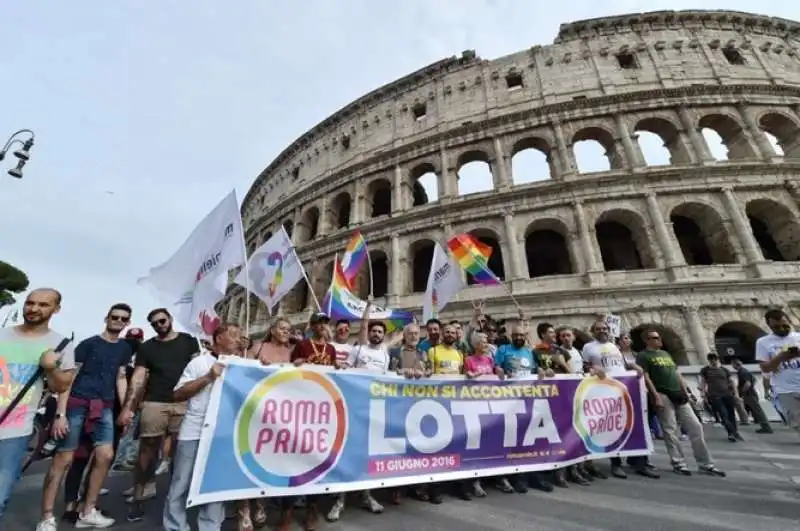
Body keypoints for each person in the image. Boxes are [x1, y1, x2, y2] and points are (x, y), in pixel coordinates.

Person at [42, 304, 134, 530]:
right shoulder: (88, 344)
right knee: (63, 460)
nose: (118, 322)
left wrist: (125, 408)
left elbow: (121, 377)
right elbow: (69, 379)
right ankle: (46, 517)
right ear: (107, 318)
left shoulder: (124, 348)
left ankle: (88, 510)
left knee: (105, 455)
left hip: (104, 406)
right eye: (115, 317)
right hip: (77, 403)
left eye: (123, 319)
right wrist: (61, 414)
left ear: (127, 323)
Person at [0, 288, 77, 524]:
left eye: (43, 304)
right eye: (30, 303)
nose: (34, 309)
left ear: (56, 309)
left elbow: (62, 386)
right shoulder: (2, 334)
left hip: (14, 429)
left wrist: (51, 367)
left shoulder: (60, 344)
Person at [119, 308, 198, 522]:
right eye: (154, 323)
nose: (159, 325)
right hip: (155, 401)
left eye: (162, 320)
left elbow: (198, 367)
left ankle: (176, 501)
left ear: (170, 319)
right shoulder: (147, 348)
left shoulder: (189, 341)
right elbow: (138, 377)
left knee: (181, 453)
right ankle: (139, 495)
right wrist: (129, 406)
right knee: (147, 449)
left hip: (183, 402)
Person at [162, 323, 239, 531]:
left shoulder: (240, 364)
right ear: (218, 338)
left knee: (214, 483)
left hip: (222, 434)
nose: (237, 339)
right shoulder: (199, 362)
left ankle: (210, 526)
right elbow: (178, 394)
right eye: (232, 335)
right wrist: (208, 378)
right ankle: (175, 526)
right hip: (194, 431)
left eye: (239, 335)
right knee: (181, 483)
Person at [327, 301, 397, 522]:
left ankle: (367, 495)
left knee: (368, 453)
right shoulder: (358, 349)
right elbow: (345, 370)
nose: (375, 334)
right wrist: (367, 308)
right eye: (373, 331)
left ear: (383, 336)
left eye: (379, 332)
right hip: (354, 406)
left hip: (375, 407)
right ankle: (340, 500)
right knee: (348, 451)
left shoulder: (386, 354)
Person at [635, 328, 725, 477]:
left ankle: (705, 464)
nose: (659, 339)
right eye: (655, 338)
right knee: (670, 429)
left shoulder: (665, 354)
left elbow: (677, 373)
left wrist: (686, 392)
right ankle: (679, 462)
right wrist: (655, 396)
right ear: (647, 340)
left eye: (659, 337)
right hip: (662, 393)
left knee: (695, 426)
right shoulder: (643, 356)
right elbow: (646, 377)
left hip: (678, 393)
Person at [278, 312, 337, 531]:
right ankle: (288, 509)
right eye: (320, 323)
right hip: (303, 407)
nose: (323, 326)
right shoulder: (303, 345)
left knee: (317, 460)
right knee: (294, 460)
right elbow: (291, 369)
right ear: (312, 326)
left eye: (325, 323)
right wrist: (297, 362)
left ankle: (312, 508)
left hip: (323, 409)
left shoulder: (330, 349)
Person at [582, 320, 658, 479]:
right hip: (606, 390)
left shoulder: (613, 346)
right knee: (613, 427)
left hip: (625, 388)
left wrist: (634, 367)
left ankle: (640, 462)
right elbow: (585, 366)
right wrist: (594, 369)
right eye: (598, 329)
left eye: (605, 328)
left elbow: (622, 364)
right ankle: (616, 464)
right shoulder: (589, 347)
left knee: (635, 424)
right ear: (592, 332)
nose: (602, 331)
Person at [494, 321, 554, 493]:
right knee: (515, 440)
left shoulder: (529, 352)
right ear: (511, 337)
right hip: (510, 402)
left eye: (521, 335)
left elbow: (537, 370)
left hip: (530, 400)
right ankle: (518, 478)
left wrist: (543, 372)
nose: (519, 338)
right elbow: (496, 366)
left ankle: (535, 476)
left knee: (532, 440)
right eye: (516, 335)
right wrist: (499, 370)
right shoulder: (503, 350)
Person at [755, 309, 800, 437]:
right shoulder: (763, 342)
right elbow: (765, 368)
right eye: (776, 327)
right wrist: (781, 357)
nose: (782, 328)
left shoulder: (798, 337)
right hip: (786, 390)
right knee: (797, 423)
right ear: (769, 326)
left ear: (789, 321)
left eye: (785, 324)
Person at [699, 352, 743, 443]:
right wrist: (702, 392)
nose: (713, 361)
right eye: (711, 360)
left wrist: (736, 394)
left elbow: (732, 382)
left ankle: (735, 431)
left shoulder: (724, 370)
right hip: (715, 396)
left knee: (731, 414)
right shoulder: (705, 370)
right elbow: (703, 382)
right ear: (709, 360)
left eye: (714, 359)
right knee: (723, 414)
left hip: (727, 394)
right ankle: (731, 433)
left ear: (717, 359)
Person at [730, 357, 772, 433]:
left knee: (758, 410)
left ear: (735, 364)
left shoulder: (742, 372)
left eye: (732, 364)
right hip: (751, 393)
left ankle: (766, 427)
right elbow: (754, 380)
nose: (732, 366)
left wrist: (742, 392)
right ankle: (762, 425)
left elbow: (748, 384)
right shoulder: (744, 371)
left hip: (749, 394)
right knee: (755, 410)